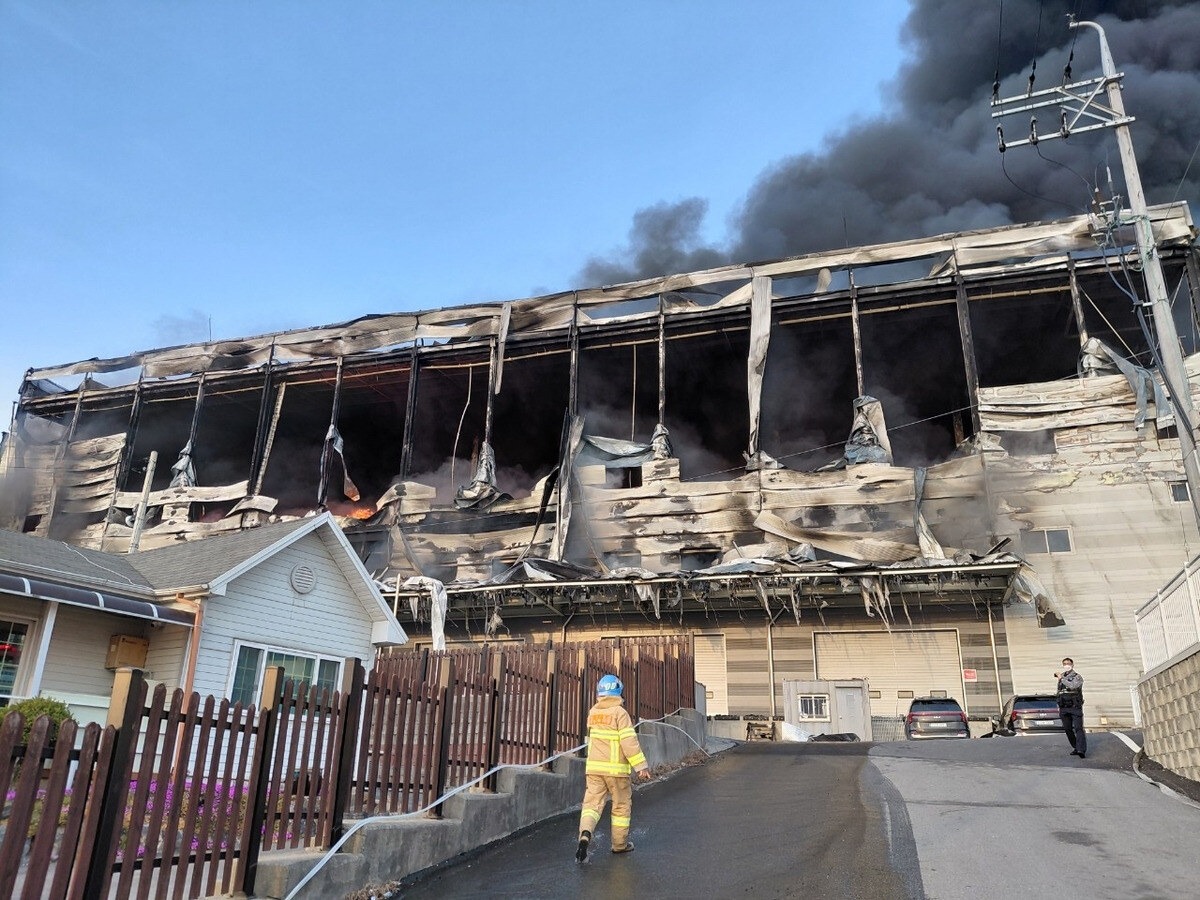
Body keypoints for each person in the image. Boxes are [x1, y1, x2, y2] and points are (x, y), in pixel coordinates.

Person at [576, 674, 651, 862]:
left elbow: (588, 739)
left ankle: (585, 835)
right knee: (621, 806)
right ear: (618, 691)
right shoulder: (620, 713)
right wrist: (640, 766)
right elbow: (629, 742)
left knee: (591, 806)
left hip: (593, 769)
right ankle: (619, 845)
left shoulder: (593, 712)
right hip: (616, 771)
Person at [1054, 657, 1086, 758]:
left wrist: (1061, 678)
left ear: (1072, 664)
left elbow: (1073, 686)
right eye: (1064, 663)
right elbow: (1059, 692)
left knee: (1078, 728)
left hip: (1075, 707)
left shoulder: (1077, 677)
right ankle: (1076, 747)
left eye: (1068, 663)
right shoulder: (1062, 677)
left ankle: (1081, 750)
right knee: (1068, 729)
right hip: (1064, 708)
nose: (1066, 665)